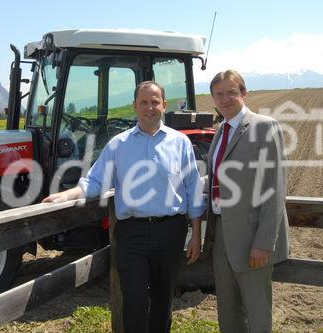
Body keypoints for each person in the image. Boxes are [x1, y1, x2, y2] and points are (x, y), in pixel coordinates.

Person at [43, 81, 205, 333]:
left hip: (171, 231)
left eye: (155, 102)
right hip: (132, 234)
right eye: (144, 102)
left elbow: (193, 186)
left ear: (163, 105)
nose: (150, 107)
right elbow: (96, 180)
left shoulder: (180, 143)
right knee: (134, 300)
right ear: (134, 106)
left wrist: (196, 233)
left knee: (164, 300)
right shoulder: (118, 144)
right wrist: (67, 195)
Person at [206, 70, 290, 332]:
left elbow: (274, 188)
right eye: (219, 94)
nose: (225, 99)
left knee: (257, 315)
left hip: (253, 239)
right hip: (222, 235)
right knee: (228, 314)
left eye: (231, 92)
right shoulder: (221, 131)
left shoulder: (264, 127)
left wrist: (264, 243)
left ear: (244, 93)